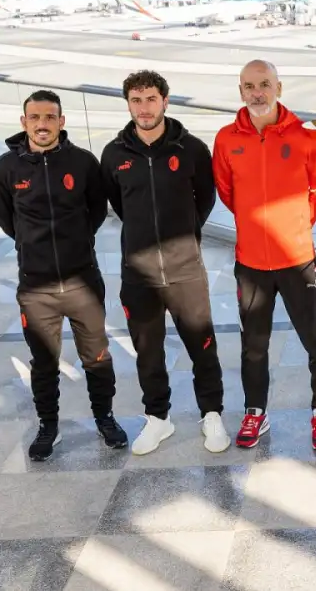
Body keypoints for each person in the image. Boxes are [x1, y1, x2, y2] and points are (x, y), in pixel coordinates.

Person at [0, 89, 127, 461]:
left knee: (97, 356)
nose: (42, 124)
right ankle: (48, 426)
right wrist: (32, 246)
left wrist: (75, 242)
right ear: (24, 123)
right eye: (35, 117)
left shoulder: (83, 162)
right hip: (36, 286)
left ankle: (105, 418)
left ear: (61, 121)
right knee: (44, 362)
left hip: (83, 280)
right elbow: (6, 219)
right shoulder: (6, 168)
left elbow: (96, 212)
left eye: (50, 117)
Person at [100, 70, 229, 456]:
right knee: (148, 352)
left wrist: (184, 236)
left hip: (185, 269)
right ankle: (158, 418)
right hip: (138, 274)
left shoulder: (191, 149)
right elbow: (118, 203)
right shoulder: (114, 154)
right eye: (136, 100)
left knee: (202, 347)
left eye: (151, 99)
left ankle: (212, 414)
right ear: (128, 104)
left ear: (165, 101)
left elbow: (205, 198)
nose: (144, 108)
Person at [212, 60, 316, 451]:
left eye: (264, 84)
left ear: (278, 88)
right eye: (249, 86)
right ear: (241, 92)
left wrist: (293, 229)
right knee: (253, 346)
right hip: (251, 264)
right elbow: (227, 192)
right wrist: (256, 226)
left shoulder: (307, 138)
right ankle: (256, 412)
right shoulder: (226, 139)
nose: (257, 93)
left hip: (297, 259)